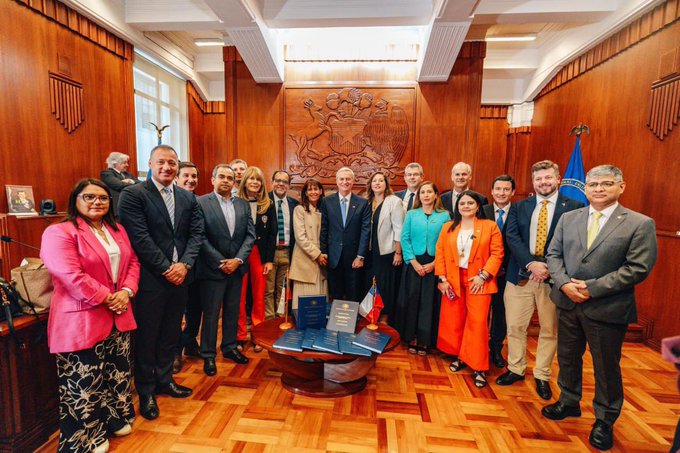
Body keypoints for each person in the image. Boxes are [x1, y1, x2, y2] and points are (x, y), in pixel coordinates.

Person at [542, 165, 657, 451]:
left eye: (606, 183)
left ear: (621, 186)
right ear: (586, 188)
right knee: (567, 357)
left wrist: (591, 288)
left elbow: (637, 268)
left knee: (606, 366)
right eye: (592, 184)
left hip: (607, 307)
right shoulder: (569, 218)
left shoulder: (639, 223)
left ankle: (605, 419)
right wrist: (564, 284)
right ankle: (569, 401)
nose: (598, 189)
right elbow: (553, 254)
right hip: (567, 301)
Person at [40, 178, 140, 453]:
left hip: (119, 312)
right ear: (75, 200)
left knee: (116, 373)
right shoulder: (59, 232)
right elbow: (69, 274)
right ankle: (87, 437)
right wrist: (108, 297)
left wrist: (127, 291)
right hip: (81, 317)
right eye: (89, 197)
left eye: (103, 198)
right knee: (84, 381)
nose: (97, 202)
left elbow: (132, 262)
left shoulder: (117, 229)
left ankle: (113, 419)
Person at [118, 145, 204, 421]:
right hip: (151, 279)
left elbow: (196, 234)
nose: (167, 167)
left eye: (172, 163)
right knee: (148, 336)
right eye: (161, 162)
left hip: (181, 277)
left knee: (170, 333)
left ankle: (165, 380)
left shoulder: (187, 197)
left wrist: (185, 265)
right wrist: (168, 268)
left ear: (177, 166)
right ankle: (145, 390)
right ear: (150, 164)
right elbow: (139, 237)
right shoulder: (133, 195)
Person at [497, 160, 583, 400]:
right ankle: (515, 368)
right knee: (515, 326)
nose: (543, 182)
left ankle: (542, 374)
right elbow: (512, 237)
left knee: (550, 329)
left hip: (554, 279)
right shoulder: (519, 207)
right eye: (538, 179)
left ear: (558, 179)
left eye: (547, 178)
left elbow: (573, 243)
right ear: (533, 182)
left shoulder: (574, 207)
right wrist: (531, 263)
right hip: (520, 276)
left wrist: (547, 267)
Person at [435, 191, 504, 388]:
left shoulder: (489, 226)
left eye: (470, 203)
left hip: (479, 281)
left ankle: (479, 366)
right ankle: (461, 356)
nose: (466, 206)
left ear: (477, 206)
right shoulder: (448, 227)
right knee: (456, 321)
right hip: (453, 280)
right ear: (457, 207)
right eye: (462, 203)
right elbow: (440, 252)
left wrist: (484, 275)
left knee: (478, 323)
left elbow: (497, 254)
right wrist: (442, 278)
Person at [196, 164, 255, 375]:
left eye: (230, 178)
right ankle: (208, 355)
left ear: (234, 182)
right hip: (213, 269)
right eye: (221, 176)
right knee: (211, 314)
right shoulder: (201, 203)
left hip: (236, 269)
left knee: (232, 310)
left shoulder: (243, 204)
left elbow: (250, 235)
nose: (226, 181)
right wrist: (221, 262)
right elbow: (199, 236)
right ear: (213, 179)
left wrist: (237, 260)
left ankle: (229, 347)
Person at [393, 181, 450, 355]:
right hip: (414, 263)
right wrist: (413, 262)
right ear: (419, 196)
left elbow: (447, 243)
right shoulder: (412, 214)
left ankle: (425, 340)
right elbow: (405, 238)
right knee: (412, 301)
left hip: (434, 263)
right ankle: (411, 337)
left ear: (435, 195)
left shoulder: (444, 216)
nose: (426, 195)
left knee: (428, 303)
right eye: (422, 192)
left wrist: (434, 264)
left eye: (429, 192)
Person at [237, 166, 276, 352]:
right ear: (245, 181)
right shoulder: (236, 202)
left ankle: (257, 334)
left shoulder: (268, 205)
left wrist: (269, 260)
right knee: (239, 296)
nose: (255, 182)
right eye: (251, 178)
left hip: (259, 254)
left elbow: (272, 234)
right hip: (240, 255)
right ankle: (239, 335)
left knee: (259, 295)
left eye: (258, 179)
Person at [320, 167, 371, 302]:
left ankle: (353, 316)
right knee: (335, 295)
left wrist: (360, 256)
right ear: (336, 181)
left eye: (348, 179)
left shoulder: (362, 203)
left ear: (353, 181)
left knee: (353, 295)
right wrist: (323, 251)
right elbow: (324, 228)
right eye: (341, 179)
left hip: (354, 257)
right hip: (333, 256)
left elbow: (365, 231)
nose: (345, 182)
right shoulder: (326, 201)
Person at [482, 175, 515, 368]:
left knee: (501, 313)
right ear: (492, 191)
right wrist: (489, 268)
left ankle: (495, 348)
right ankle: (479, 348)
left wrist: (503, 267)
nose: (502, 193)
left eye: (506, 189)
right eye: (498, 189)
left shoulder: (519, 211)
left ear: (512, 192)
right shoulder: (482, 210)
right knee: (481, 312)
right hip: (483, 272)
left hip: (507, 273)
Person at [364, 171, 404, 323]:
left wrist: (398, 252)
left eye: (381, 180)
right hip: (369, 252)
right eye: (374, 181)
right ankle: (371, 315)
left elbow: (399, 229)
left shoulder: (394, 201)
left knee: (385, 284)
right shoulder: (366, 201)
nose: (377, 183)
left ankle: (384, 317)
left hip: (387, 252)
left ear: (386, 184)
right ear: (370, 184)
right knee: (370, 283)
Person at [173, 161, 201, 373]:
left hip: (199, 267)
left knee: (195, 310)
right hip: (175, 268)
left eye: (194, 176)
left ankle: (190, 342)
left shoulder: (200, 201)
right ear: (176, 178)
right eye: (186, 176)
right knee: (176, 313)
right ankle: (175, 351)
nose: (190, 180)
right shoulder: (169, 201)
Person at [288, 179, 328, 309]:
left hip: (323, 261)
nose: (313, 192)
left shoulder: (325, 209)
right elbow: (300, 237)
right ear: (305, 193)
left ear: (321, 191)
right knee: (304, 306)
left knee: (320, 305)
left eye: (316, 189)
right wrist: (317, 255)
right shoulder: (299, 209)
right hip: (305, 259)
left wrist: (324, 255)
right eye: (310, 189)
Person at [265, 170, 299, 320]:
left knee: (283, 287)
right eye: (278, 180)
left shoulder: (294, 204)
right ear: (272, 182)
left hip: (287, 251)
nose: (281, 184)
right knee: (268, 288)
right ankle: (269, 319)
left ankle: (280, 317)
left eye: (284, 182)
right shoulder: (264, 201)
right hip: (269, 252)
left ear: (289, 185)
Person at [100, 152, 139, 216]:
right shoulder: (107, 173)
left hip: (131, 206)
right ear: (115, 164)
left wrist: (131, 181)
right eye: (124, 163)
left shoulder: (127, 174)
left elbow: (140, 184)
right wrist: (126, 183)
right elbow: (119, 185)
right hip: (117, 208)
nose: (127, 165)